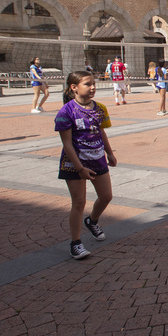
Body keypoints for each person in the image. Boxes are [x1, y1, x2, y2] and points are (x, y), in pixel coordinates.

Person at [54, 70, 116, 260]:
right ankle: (76, 243)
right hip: (74, 164)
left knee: (106, 196)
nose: (93, 88)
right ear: (74, 88)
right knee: (79, 203)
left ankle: (93, 221)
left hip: (97, 159)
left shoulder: (100, 108)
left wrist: (110, 152)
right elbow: (66, 143)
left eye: (93, 84)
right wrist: (80, 168)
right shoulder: (66, 112)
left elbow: (101, 132)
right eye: (88, 84)